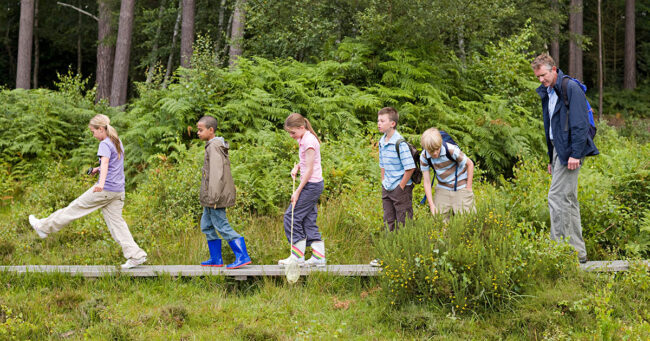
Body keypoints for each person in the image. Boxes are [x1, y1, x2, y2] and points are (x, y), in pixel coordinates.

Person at [28, 114, 147, 269]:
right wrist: (96, 170)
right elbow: (112, 163)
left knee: (74, 208)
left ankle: (43, 228)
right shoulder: (116, 140)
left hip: (105, 189)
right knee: (118, 225)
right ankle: (136, 256)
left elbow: (105, 163)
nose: (93, 135)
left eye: (93, 132)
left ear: (101, 129)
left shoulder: (104, 143)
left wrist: (101, 183)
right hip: (118, 191)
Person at [531, 54, 599, 264]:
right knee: (568, 199)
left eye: (543, 75)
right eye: (538, 76)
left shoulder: (570, 88)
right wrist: (551, 159)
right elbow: (551, 127)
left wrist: (575, 154)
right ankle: (576, 253)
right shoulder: (549, 91)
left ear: (554, 69)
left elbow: (579, 124)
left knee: (557, 197)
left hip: (570, 151)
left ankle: (560, 251)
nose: (541, 80)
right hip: (559, 151)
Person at [196, 115, 251, 269]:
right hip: (210, 197)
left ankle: (242, 255)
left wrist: (213, 197)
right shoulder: (213, 145)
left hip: (215, 197)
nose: (198, 133)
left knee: (221, 225)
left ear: (211, 130)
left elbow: (216, 173)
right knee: (206, 225)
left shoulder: (214, 147)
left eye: (201, 130)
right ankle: (216, 258)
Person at [277, 113, 326, 267]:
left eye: (293, 132)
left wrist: (297, 191)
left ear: (301, 127)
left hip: (311, 185)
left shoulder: (309, 141)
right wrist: (297, 166)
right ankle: (319, 258)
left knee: (291, 217)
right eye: (289, 133)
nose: (291, 136)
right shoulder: (303, 138)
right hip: (312, 184)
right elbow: (307, 162)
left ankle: (297, 257)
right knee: (308, 220)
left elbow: (310, 169)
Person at [371, 107, 415, 267]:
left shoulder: (399, 143)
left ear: (392, 123)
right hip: (387, 187)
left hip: (400, 189)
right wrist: (384, 181)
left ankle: (405, 258)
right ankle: (387, 256)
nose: (379, 123)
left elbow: (410, 167)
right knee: (388, 221)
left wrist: (400, 187)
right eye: (378, 120)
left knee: (404, 222)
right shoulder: (382, 141)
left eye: (382, 121)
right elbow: (382, 163)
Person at [419, 128, 475, 221]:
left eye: (437, 149)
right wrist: (432, 205)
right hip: (443, 187)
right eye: (431, 151)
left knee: (467, 221)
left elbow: (470, 164)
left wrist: (468, 189)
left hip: (461, 186)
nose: (435, 153)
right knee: (439, 221)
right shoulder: (424, 156)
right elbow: (427, 181)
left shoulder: (451, 150)